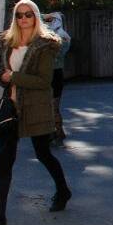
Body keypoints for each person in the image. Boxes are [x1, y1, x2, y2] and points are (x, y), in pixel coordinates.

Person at [0, 0, 71, 225]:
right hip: (10, 108)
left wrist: (14, 78)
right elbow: (6, 71)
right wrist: (4, 77)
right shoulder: (8, 41)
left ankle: (63, 191)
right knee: (5, 159)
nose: (23, 19)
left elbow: (44, 81)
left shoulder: (45, 44)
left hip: (35, 106)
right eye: (19, 15)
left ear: (36, 16)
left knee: (43, 154)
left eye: (28, 15)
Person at [41, 12, 72, 147]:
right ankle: (55, 132)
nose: (48, 22)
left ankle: (56, 132)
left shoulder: (59, 37)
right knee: (51, 106)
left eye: (51, 20)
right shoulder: (62, 36)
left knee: (51, 106)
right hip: (54, 73)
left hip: (52, 73)